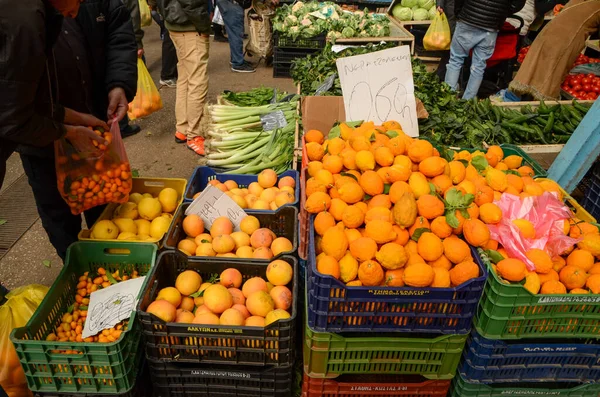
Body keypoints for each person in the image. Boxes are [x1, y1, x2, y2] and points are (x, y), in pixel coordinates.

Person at [17, 0, 138, 260]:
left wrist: (119, 84)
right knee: (59, 216)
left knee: (106, 206)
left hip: (94, 126)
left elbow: (119, 34)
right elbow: (17, 105)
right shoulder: (21, 18)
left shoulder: (97, 5)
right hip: (41, 141)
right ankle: (79, 271)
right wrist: (64, 128)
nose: (73, 14)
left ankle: (111, 269)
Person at [0, 0, 108, 190]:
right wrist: (70, 132)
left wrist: (77, 117)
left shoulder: (28, 11)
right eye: (79, 1)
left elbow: (25, 99)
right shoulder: (26, 22)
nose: (75, 14)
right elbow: (14, 119)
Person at [508, 0, 600, 100]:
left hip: (549, 33)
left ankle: (523, 101)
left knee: (534, 69)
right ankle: (539, 107)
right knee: (550, 77)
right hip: (566, 39)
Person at [444, 0, 526, 99]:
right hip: (491, 25)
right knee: (478, 67)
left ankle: (448, 97)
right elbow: (518, 3)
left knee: (455, 60)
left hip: (468, 18)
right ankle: (468, 101)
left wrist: (459, 13)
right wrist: (501, 12)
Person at [159, 0, 211, 155]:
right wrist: (203, 24)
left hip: (175, 23)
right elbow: (191, 2)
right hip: (189, 25)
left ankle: (182, 128)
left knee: (185, 78)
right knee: (197, 82)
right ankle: (194, 135)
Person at [217, 0, 255, 72]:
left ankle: (236, 59)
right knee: (236, 33)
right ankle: (237, 63)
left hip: (230, 3)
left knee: (234, 32)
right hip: (231, 3)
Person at [148, 0, 179, 87]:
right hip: (167, 12)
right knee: (170, 43)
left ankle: (170, 74)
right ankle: (167, 76)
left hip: (165, 12)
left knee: (170, 42)